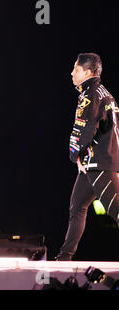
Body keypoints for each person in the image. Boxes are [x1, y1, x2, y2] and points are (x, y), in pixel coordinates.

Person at [55, 53, 119, 261]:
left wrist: (75, 154)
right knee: (77, 207)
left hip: (99, 164)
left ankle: (65, 256)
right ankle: (65, 257)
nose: (72, 72)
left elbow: (85, 128)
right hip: (94, 163)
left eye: (76, 68)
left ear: (88, 72)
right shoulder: (101, 92)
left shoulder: (91, 94)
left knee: (116, 211)